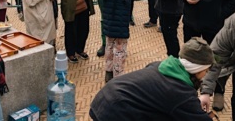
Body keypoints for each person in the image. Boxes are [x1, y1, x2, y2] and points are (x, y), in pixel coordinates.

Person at [89, 37, 217, 121]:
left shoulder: (160, 65)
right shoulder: (181, 93)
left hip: (104, 98)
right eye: (205, 71)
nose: (205, 75)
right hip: (115, 113)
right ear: (197, 69)